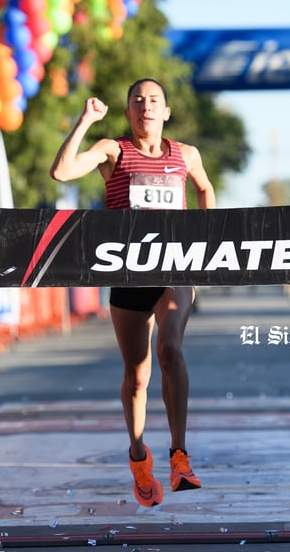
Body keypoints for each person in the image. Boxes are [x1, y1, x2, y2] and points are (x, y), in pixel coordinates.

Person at [50, 78, 215, 507]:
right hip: (127, 275)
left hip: (174, 269)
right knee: (137, 377)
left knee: (171, 352)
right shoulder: (113, 151)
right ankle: (139, 458)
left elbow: (204, 187)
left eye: (154, 100)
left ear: (166, 111)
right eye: (137, 101)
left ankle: (179, 456)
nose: (146, 106)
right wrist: (85, 120)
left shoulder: (187, 155)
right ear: (128, 113)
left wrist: (207, 231)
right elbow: (62, 171)